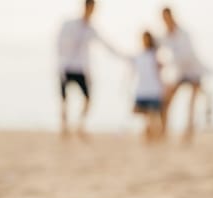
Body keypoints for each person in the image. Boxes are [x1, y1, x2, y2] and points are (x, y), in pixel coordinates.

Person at [57, 0, 119, 138]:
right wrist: (61, 62)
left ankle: (79, 125)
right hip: (66, 66)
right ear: (86, 7)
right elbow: (59, 43)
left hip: (81, 68)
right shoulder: (69, 24)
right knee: (64, 99)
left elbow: (106, 45)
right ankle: (64, 127)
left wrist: (125, 57)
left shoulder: (91, 29)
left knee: (88, 98)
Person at [160, 7, 210, 143]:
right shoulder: (165, 36)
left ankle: (188, 134)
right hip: (180, 73)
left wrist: (169, 63)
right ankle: (164, 131)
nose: (165, 21)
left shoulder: (184, 34)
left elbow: (187, 55)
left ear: (171, 16)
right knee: (167, 101)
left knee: (191, 105)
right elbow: (160, 50)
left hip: (193, 71)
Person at [129, 31, 164, 143]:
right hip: (142, 89)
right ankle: (150, 135)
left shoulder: (154, 55)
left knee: (152, 115)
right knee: (145, 114)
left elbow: (159, 70)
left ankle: (154, 136)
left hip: (153, 89)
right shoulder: (140, 55)